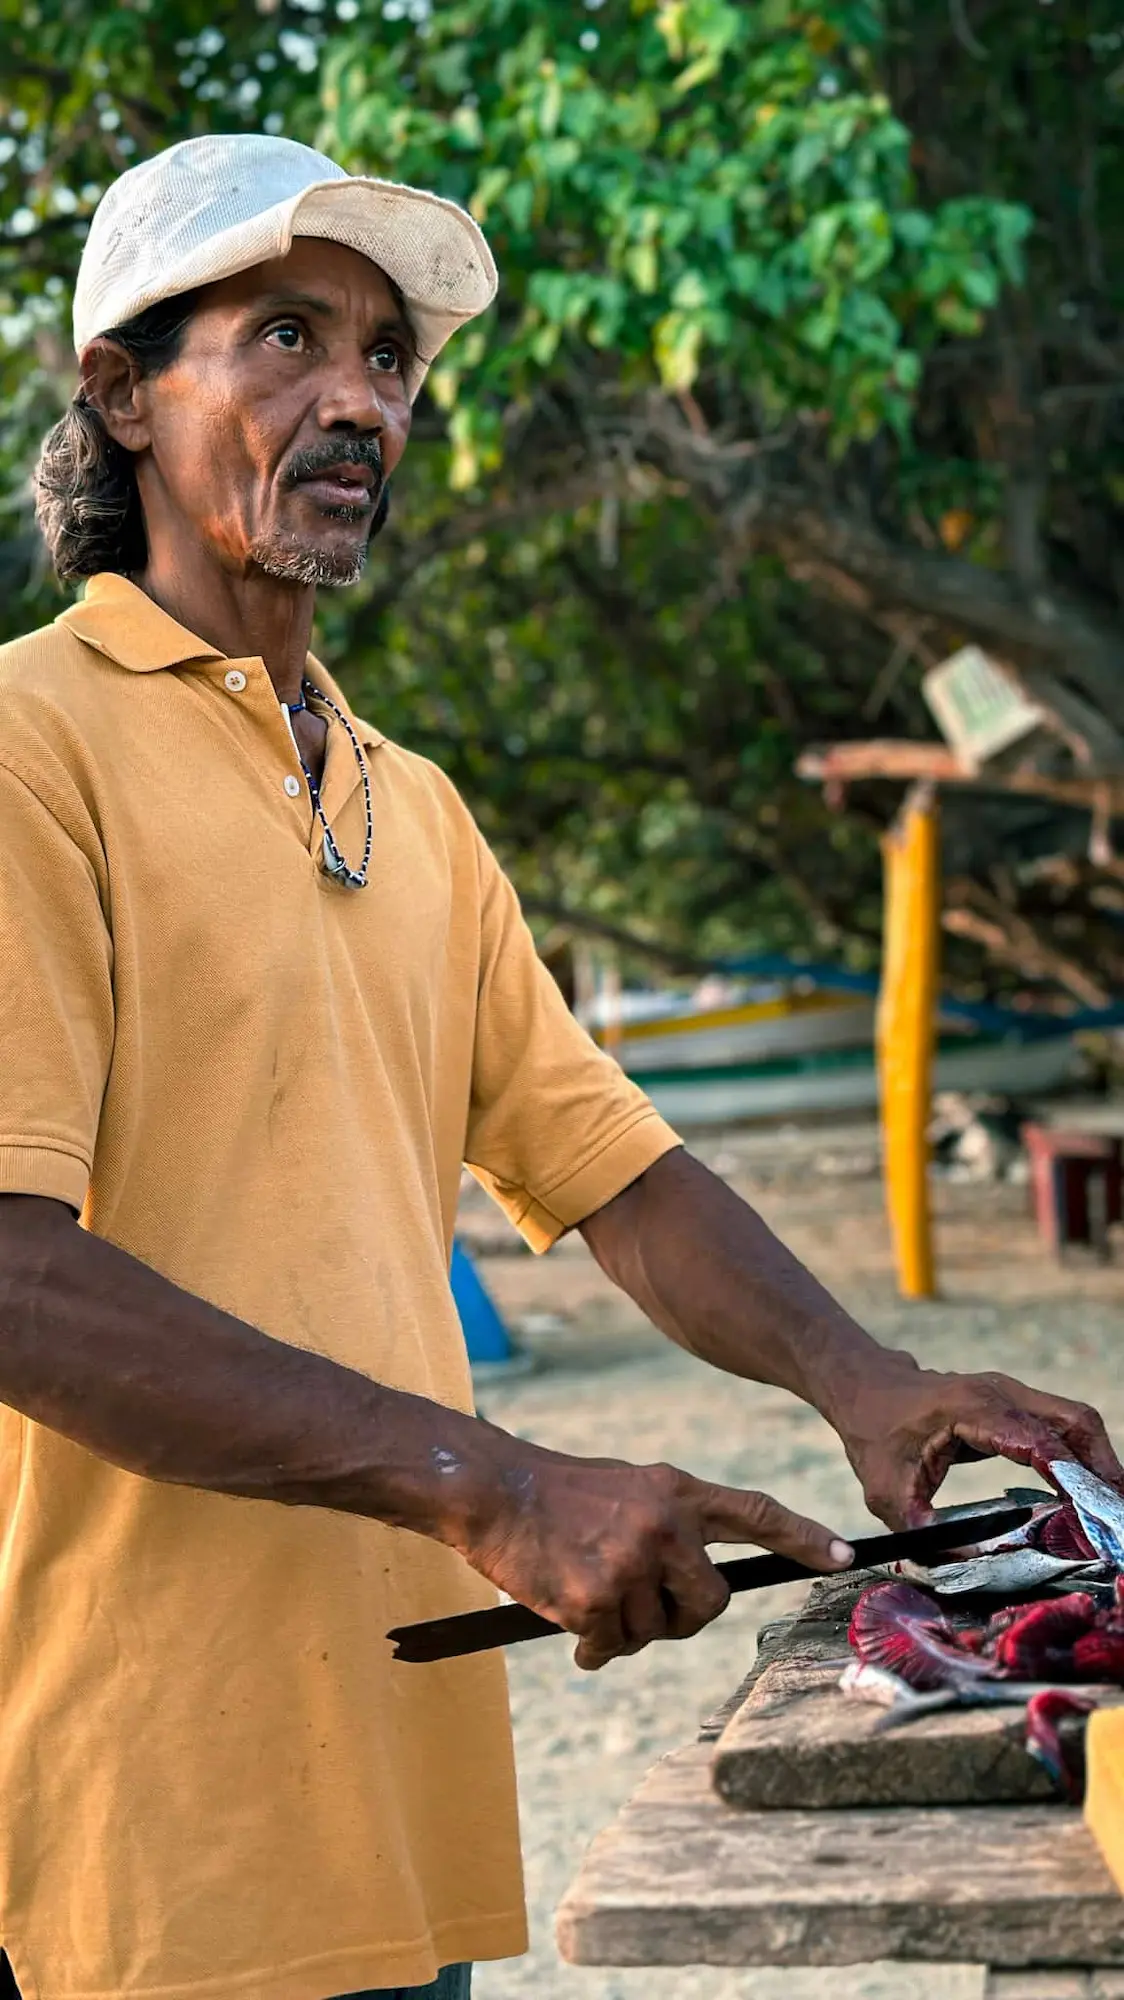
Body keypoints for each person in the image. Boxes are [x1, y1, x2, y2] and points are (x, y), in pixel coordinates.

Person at [0, 132, 1116, 2000]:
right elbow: (15, 1280)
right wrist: (498, 1486)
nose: (357, 400)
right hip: (132, 1824)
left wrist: (867, 1381)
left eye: (388, 357)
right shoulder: (30, 747)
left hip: (388, 1791)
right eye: (284, 336)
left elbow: (610, 1165)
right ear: (119, 389)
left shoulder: (404, 803)